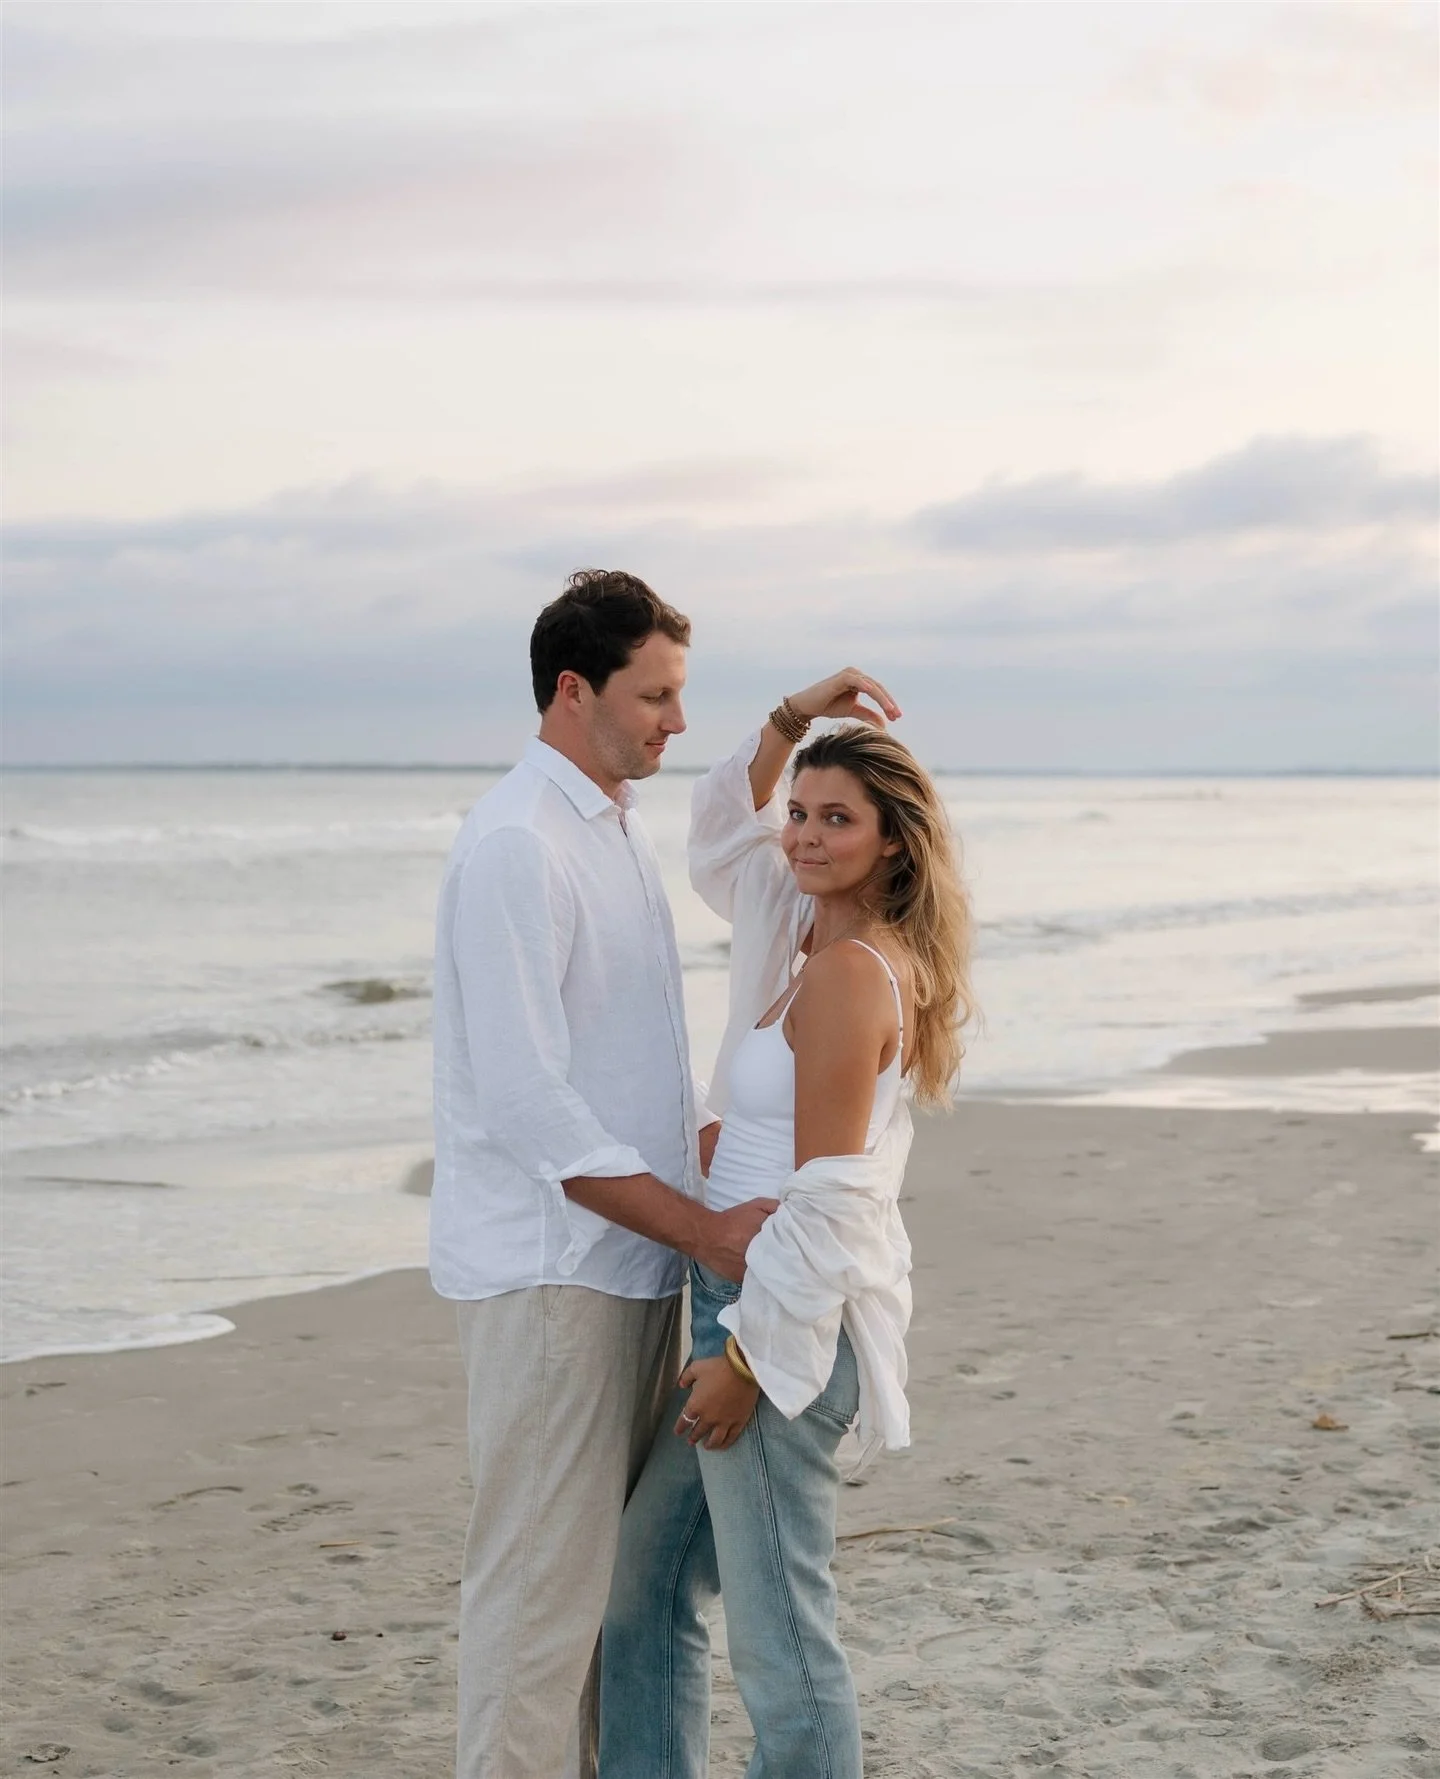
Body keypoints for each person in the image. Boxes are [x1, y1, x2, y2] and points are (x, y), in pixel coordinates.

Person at [430, 569, 779, 1779]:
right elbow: (530, 1106)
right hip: (550, 1277)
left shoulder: (614, 833)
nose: (675, 724)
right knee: (535, 1607)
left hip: (634, 1268)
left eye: (682, 697)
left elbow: (640, 1067)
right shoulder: (517, 847)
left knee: (603, 1613)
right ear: (574, 690)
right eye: (656, 695)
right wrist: (704, 1227)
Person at [599, 668, 975, 1779]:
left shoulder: (852, 974)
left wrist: (749, 1360)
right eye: (800, 814)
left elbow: (835, 1197)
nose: (803, 838)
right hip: (744, 1306)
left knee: (783, 1643)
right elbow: (720, 832)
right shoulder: (797, 940)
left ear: (893, 843)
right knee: (644, 1595)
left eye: (836, 820)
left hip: (777, 1328)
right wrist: (787, 722)